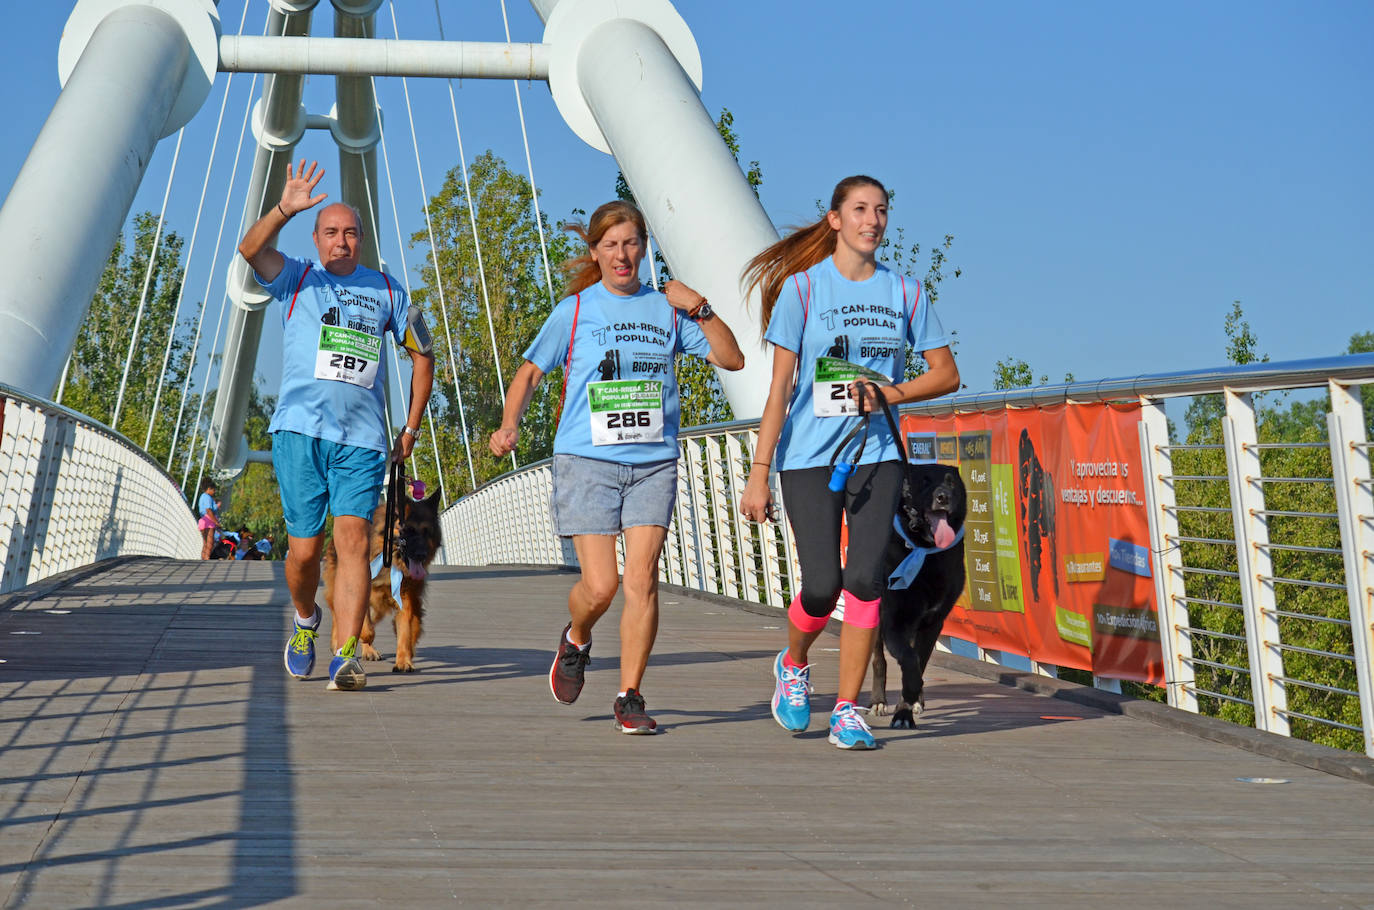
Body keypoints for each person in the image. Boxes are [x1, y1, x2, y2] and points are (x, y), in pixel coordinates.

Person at [489, 200, 745, 734]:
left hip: (653, 462)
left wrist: (699, 307)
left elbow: (731, 358)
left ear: (644, 248)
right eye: (611, 245)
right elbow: (531, 372)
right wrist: (510, 423)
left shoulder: (667, 310)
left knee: (643, 580)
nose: (622, 254)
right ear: (595, 252)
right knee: (601, 587)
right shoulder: (576, 311)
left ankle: (629, 696)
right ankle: (577, 637)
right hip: (587, 461)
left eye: (631, 243)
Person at [738, 175, 959, 750]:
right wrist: (759, 474)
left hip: (878, 452)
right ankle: (793, 663)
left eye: (881, 210)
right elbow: (780, 390)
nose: (872, 220)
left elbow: (946, 373)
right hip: (808, 456)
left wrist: (893, 394)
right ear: (834, 219)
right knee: (822, 585)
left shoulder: (907, 293)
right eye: (860, 210)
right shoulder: (803, 291)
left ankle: (846, 710)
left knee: (864, 580)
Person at [237, 159, 435, 692]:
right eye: (330, 232)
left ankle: (346, 654)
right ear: (317, 238)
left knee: (353, 543)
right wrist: (283, 208)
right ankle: (305, 623)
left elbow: (424, 354)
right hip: (300, 433)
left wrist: (410, 429)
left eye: (350, 233)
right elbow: (250, 251)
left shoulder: (389, 292)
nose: (341, 242)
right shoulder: (298, 278)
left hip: (364, 441)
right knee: (303, 551)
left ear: (362, 239)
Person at [197, 481, 220, 560]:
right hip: (208, 520)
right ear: (209, 489)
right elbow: (208, 510)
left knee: (205, 542)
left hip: (203, 520)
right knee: (210, 542)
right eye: (213, 490)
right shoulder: (207, 497)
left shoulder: (202, 496)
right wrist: (215, 521)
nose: (214, 492)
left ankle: (203, 558)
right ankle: (207, 558)